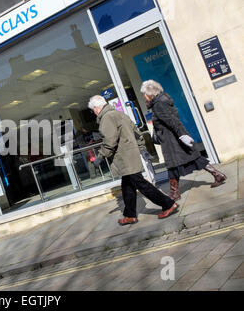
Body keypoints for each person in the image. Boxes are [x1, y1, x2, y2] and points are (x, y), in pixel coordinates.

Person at [88, 95, 178, 225]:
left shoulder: (107, 117)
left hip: (123, 157)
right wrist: (141, 148)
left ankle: (168, 204)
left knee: (141, 184)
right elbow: (136, 132)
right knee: (127, 186)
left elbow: (110, 141)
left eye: (93, 110)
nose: (94, 113)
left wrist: (100, 157)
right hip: (130, 154)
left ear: (96, 108)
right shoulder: (119, 114)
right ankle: (130, 215)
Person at [141, 80, 227, 201]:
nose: (144, 96)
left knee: (173, 165)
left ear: (150, 94)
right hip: (172, 138)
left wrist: (182, 135)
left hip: (171, 140)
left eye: (144, 93)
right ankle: (218, 175)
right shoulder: (161, 101)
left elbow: (172, 121)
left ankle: (175, 193)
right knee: (193, 158)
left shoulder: (159, 105)